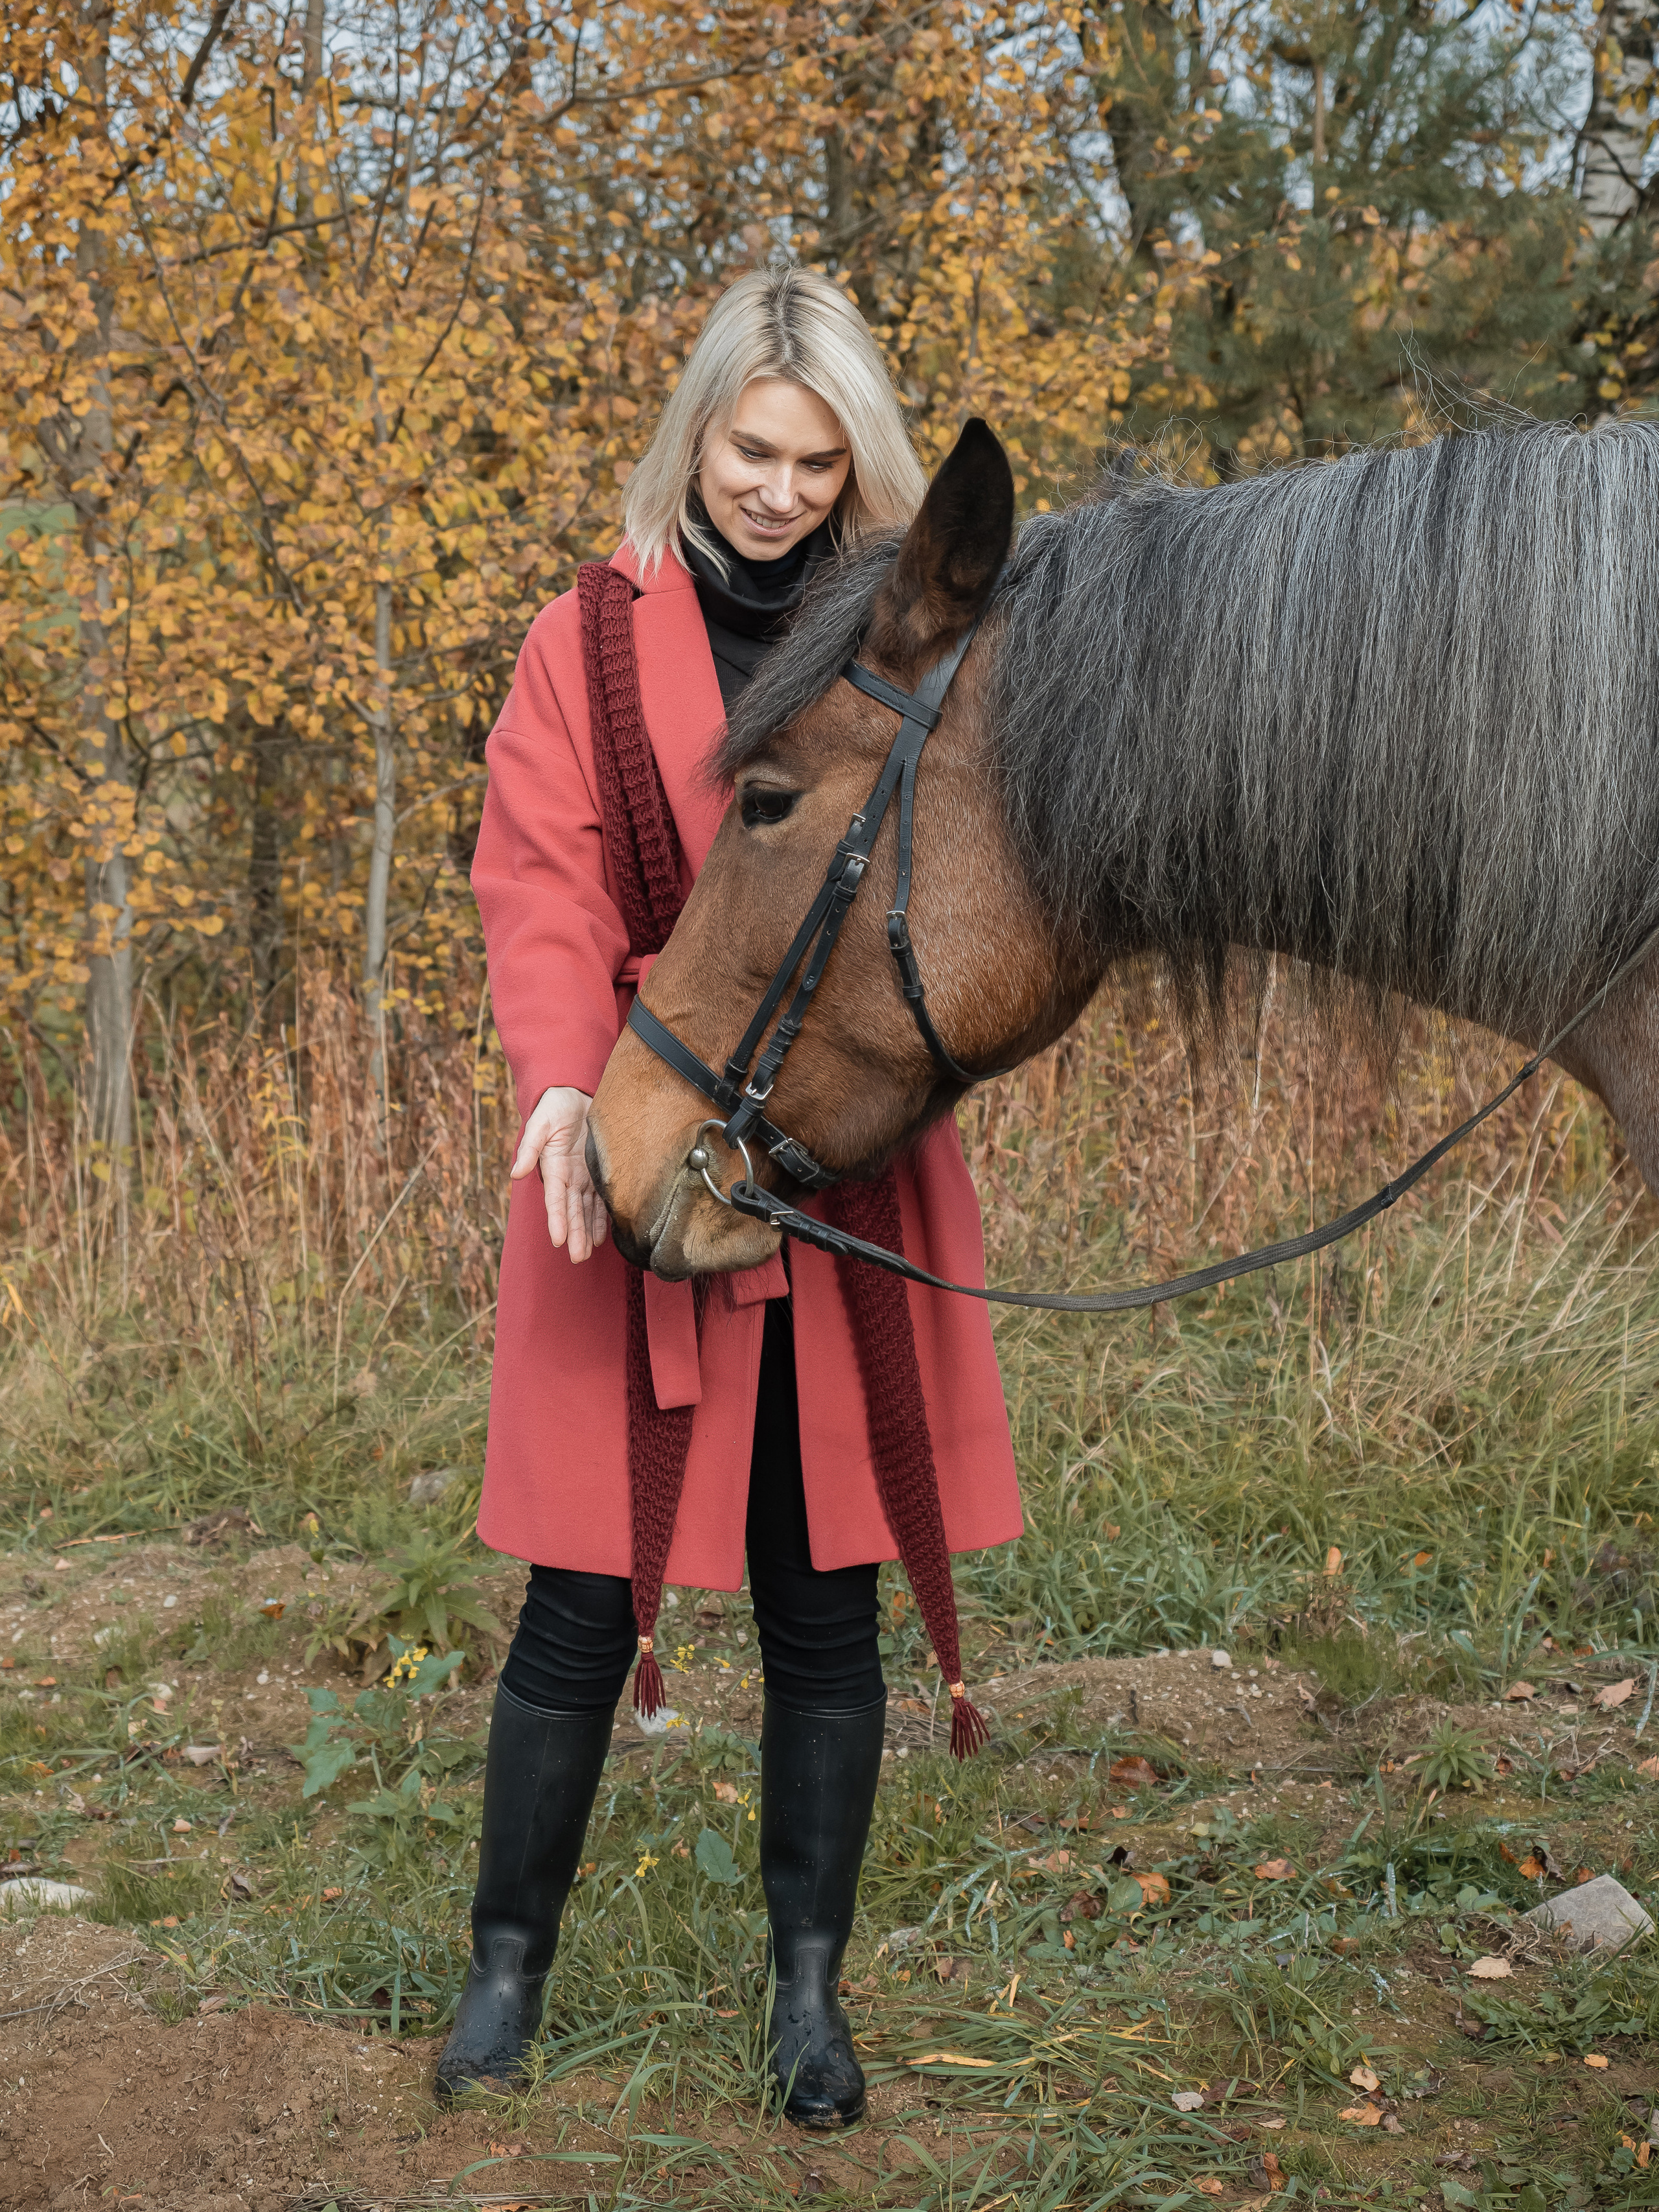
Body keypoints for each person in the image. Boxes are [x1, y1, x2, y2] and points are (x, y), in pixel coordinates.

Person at [446, 265, 1023, 2125]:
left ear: (858, 468)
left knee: (820, 1608)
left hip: (835, 1169)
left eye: (814, 460)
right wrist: (559, 1080)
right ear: (697, 433)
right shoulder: (587, 641)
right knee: (574, 1602)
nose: (774, 490)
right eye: (749, 449)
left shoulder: (909, 633)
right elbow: (535, 879)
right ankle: (503, 1983)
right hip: (643, 1134)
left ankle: (806, 2004)